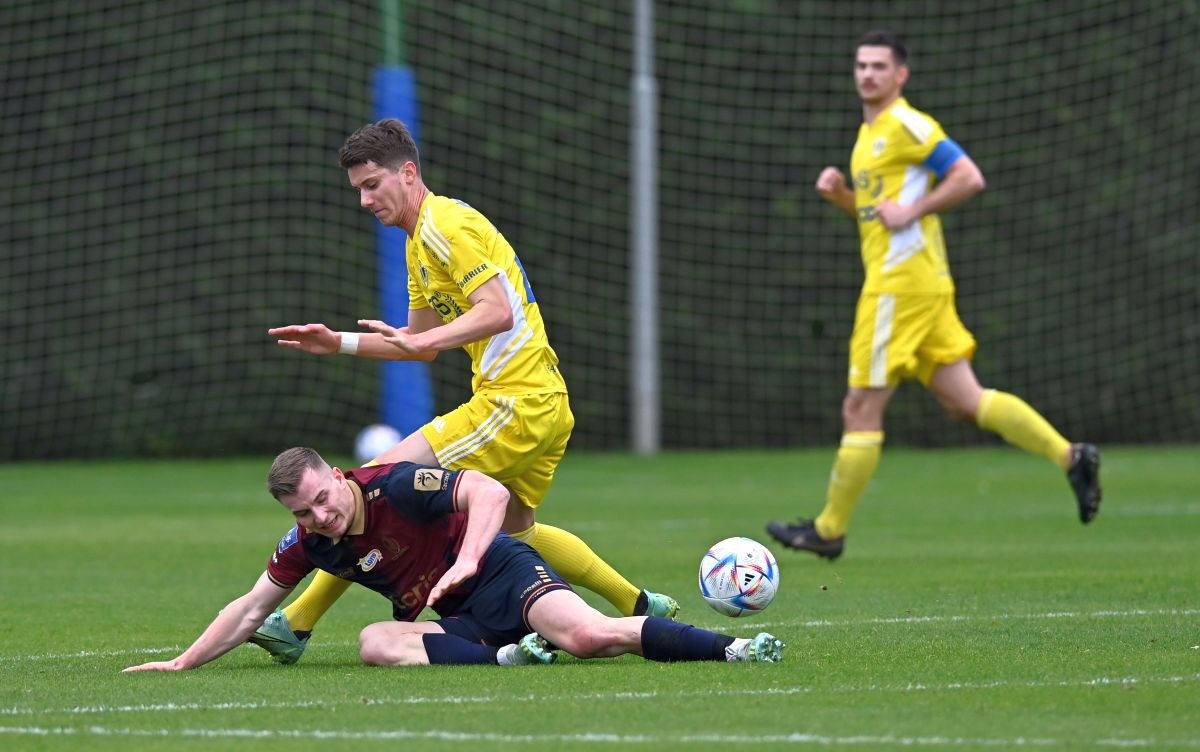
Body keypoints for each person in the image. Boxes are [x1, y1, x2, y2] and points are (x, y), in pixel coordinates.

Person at [255, 118, 676, 664]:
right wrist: (339, 343)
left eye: (372, 184)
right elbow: (421, 345)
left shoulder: (443, 226)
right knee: (517, 530)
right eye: (357, 189)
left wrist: (415, 343)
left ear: (408, 173)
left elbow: (496, 312)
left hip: (513, 402)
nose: (364, 200)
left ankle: (294, 621)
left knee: (368, 486)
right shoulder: (417, 244)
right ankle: (640, 602)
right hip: (542, 402)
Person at [766, 30, 1101, 560]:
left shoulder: (908, 124)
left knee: (860, 407)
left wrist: (916, 212)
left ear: (901, 74)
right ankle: (1071, 456)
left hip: (899, 288)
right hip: (920, 283)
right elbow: (882, 217)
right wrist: (843, 198)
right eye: (860, 65)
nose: (867, 74)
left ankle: (829, 530)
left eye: (878, 66)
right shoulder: (869, 133)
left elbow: (969, 177)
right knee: (967, 401)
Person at [123, 448, 784, 672]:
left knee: (586, 636)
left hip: (498, 572)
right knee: (375, 640)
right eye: (303, 513)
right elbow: (248, 608)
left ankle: (733, 648)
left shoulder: (395, 484)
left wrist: (467, 560)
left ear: (336, 475)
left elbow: (489, 490)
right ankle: (508, 659)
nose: (319, 517)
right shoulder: (312, 544)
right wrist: (184, 661)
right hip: (455, 619)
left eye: (322, 500)